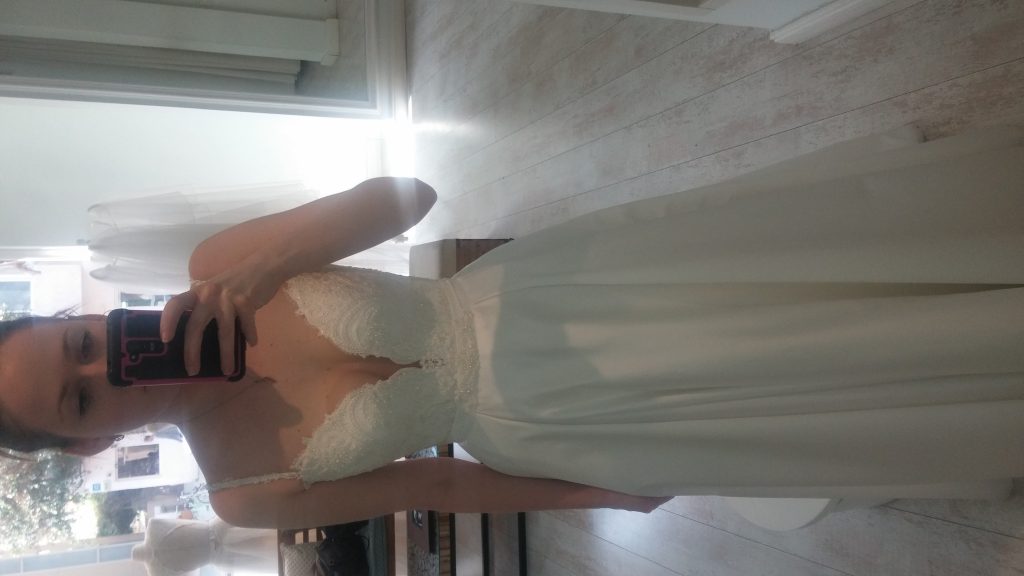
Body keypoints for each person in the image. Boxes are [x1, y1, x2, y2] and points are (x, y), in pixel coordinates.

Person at [1, 126, 1022, 530]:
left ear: (83, 317)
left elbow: (410, 196)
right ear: (88, 445)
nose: (105, 372)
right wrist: (602, 494)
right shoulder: (241, 493)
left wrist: (270, 263)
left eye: (79, 346)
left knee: (782, 286)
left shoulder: (220, 269)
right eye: (79, 401)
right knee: (793, 374)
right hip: (553, 420)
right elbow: (438, 486)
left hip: (551, 299)